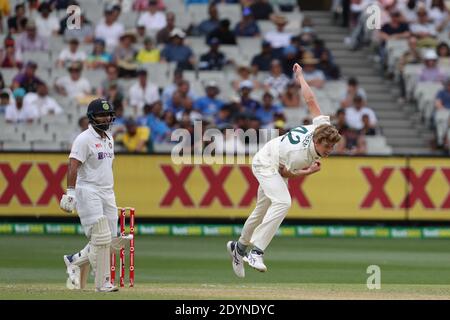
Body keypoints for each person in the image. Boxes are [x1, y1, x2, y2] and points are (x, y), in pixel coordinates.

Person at [226, 63, 341, 277]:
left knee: (261, 211)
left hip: (274, 156)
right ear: (317, 141)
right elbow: (285, 173)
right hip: (267, 163)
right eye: (326, 146)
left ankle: (238, 248)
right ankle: (256, 252)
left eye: (332, 147)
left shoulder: (320, 128)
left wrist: (301, 76)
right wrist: (309, 172)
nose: (329, 150)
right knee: (284, 202)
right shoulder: (300, 155)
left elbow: (310, 100)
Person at [59, 98, 131, 292]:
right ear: (92, 117)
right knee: (100, 236)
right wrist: (71, 193)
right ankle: (103, 283)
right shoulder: (84, 139)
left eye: (108, 114)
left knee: (110, 239)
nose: (106, 117)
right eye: (101, 114)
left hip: (107, 191)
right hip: (88, 190)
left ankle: (74, 260)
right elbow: (73, 165)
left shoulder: (109, 138)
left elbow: (108, 166)